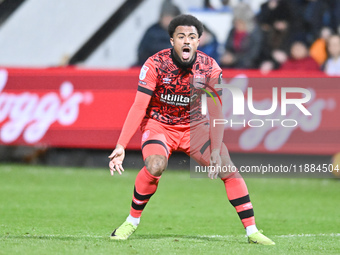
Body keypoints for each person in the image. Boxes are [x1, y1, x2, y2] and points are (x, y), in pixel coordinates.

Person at [108, 14, 275, 245]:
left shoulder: (209, 68)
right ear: (172, 41)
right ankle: (131, 222)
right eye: (181, 36)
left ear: (198, 41)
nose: (186, 41)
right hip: (160, 125)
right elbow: (139, 106)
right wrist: (121, 145)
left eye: (192, 37)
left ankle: (252, 231)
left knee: (227, 167)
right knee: (156, 165)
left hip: (194, 127)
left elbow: (216, 111)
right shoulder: (155, 64)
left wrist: (216, 149)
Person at [135, 0, 181, 66]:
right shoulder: (152, 31)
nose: (168, 21)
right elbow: (142, 51)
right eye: (166, 17)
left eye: (170, 18)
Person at [220, 2, 262, 69]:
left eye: (240, 21)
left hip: (248, 66)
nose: (237, 24)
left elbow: (254, 54)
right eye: (236, 21)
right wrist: (228, 56)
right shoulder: (233, 31)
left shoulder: (254, 32)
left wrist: (235, 58)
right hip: (232, 65)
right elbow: (228, 47)